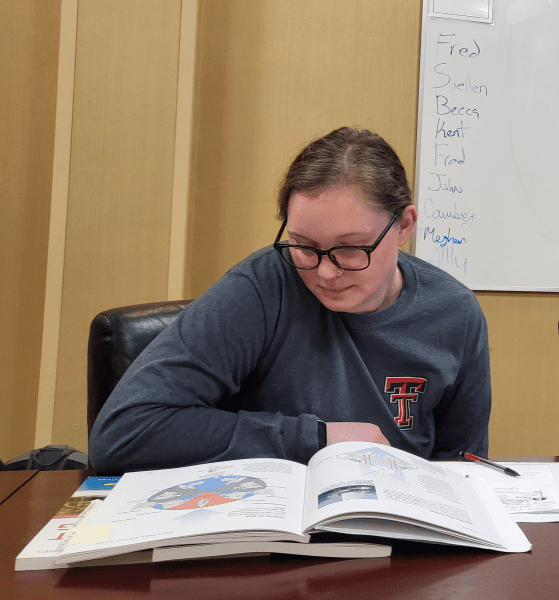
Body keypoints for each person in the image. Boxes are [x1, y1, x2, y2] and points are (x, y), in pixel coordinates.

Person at [89, 127, 491, 474]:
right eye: (304, 245)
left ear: (404, 225)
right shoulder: (261, 288)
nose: (325, 272)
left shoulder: (455, 313)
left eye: (351, 249)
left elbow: (464, 464)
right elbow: (123, 433)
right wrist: (317, 438)